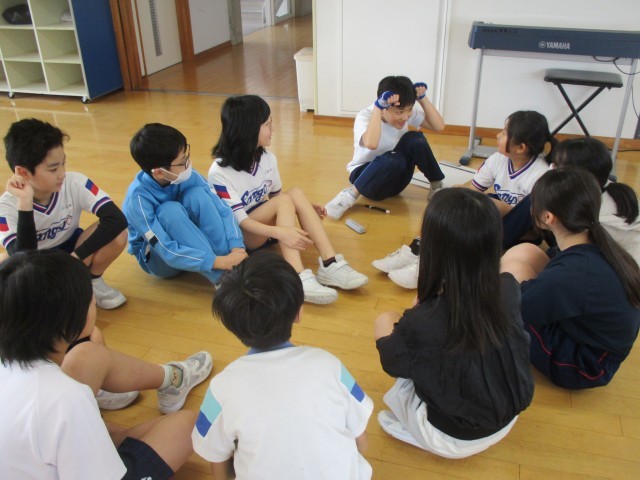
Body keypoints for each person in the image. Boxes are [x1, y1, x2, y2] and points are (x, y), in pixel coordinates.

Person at [0, 250, 201, 479]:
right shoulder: (66, 398)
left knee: (88, 356)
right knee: (187, 425)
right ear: (70, 321)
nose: (94, 300)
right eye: (90, 298)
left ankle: (173, 379)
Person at [374, 188, 534, 458]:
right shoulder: (508, 287)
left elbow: (394, 365)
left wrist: (414, 313)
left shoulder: (423, 321)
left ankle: (415, 431)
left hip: (453, 439)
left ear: (432, 248)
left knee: (384, 321)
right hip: (507, 420)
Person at [192, 252, 373, 479]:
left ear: (231, 326)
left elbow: (215, 456)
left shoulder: (221, 388)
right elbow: (361, 441)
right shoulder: (329, 365)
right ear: (299, 313)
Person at [209, 95, 368, 304]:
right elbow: (241, 221)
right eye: (268, 124)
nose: (273, 129)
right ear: (248, 130)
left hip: (263, 227)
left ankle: (330, 263)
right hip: (241, 237)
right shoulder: (219, 172)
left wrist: (303, 208)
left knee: (295, 194)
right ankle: (298, 276)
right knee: (286, 200)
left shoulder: (267, 158)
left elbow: (277, 197)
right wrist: (282, 232)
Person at [376, 110, 555, 289]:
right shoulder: (498, 159)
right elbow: (474, 189)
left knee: (475, 212)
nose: (498, 135)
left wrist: (487, 205)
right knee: (451, 200)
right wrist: (454, 196)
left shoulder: (541, 175)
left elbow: (536, 228)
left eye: (505, 133)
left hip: (521, 233)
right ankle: (417, 248)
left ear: (521, 148)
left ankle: (430, 267)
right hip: (498, 219)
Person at [501, 168, 640, 389]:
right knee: (525, 252)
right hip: (591, 338)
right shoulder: (594, 243)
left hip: (585, 365)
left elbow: (514, 307)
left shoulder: (576, 272)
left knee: (506, 296)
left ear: (547, 217)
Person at [0, 118, 128, 309]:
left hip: (73, 253)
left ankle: (92, 281)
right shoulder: (6, 207)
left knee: (118, 234)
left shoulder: (74, 182)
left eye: (63, 163)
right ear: (23, 172)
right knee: (7, 262)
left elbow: (117, 219)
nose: (62, 173)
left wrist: (74, 260)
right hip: (37, 266)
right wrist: (25, 203)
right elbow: (23, 259)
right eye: (53, 168)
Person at [124, 123, 247, 285]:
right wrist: (220, 263)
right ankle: (222, 279)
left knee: (197, 195)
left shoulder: (185, 174)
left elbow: (222, 209)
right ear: (159, 172)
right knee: (169, 211)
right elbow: (165, 249)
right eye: (182, 161)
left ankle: (236, 265)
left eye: (186, 155)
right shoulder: (137, 200)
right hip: (161, 260)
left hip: (193, 246)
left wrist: (237, 247)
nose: (188, 163)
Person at [325, 75, 445, 220]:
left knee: (415, 139)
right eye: (399, 112)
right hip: (366, 179)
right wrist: (378, 107)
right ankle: (348, 196)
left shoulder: (405, 112)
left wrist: (422, 98)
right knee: (392, 159)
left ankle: (436, 185)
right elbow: (371, 144)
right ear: (383, 109)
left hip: (396, 179)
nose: (405, 117)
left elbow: (439, 126)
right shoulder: (365, 116)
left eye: (409, 110)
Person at [551, 137, 639, 265]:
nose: (552, 170)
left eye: (557, 168)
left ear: (582, 178)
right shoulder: (606, 188)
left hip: (623, 272)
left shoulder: (593, 218)